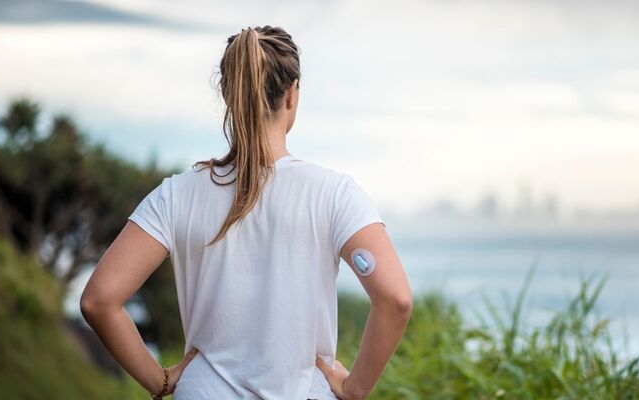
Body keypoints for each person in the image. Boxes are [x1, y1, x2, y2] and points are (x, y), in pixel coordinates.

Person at [79, 25, 413, 400]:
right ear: (292, 94)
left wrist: (161, 380)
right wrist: (355, 389)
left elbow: (99, 300)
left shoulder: (176, 195)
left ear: (228, 94)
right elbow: (395, 299)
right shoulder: (334, 193)